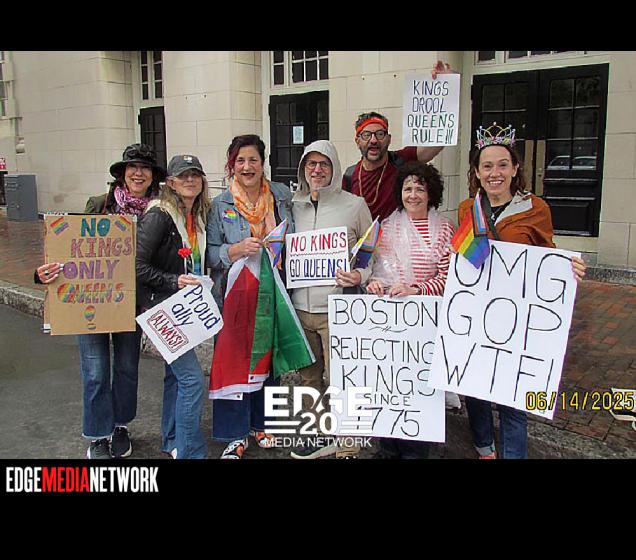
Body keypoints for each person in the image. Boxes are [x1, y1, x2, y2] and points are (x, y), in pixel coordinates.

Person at [459, 123, 587, 459]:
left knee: (512, 397)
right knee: (475, 388)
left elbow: (548, 257)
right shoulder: (466, 209)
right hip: (478, 316)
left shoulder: (535, 208)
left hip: (518, 321)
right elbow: (465, 261)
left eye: (503, 165)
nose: (495, 173)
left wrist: (568, 269)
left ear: (515, 168)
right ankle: (485, 448)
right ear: (477, 171)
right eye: (487, 166)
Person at [35, 143, 165, 459]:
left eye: (145, 168)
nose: (138, 173)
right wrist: (43, 273)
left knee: (127, 368)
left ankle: (120, 426)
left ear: (152, 175)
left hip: (131, 304)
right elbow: (73, 247)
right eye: (133, 167)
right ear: (122, 173)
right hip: (90, 301)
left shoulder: (159, 211)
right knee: (95, 372)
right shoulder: (99, 204)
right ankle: (97, 435)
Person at [206, 134, 295, 459]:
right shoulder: (220, 204)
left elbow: (296, 239)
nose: (247, 166)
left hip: (271, 296)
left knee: (267, 363)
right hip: (234, 299)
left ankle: (263, 423)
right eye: (240, 160)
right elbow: (210, 253)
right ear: (232, 165)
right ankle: (234, 434)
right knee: (233, 364)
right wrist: (235, 249)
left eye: (253, 160)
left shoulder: (282, 196)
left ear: (262, 163)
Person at [366, 161, 456, 459]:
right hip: (391, 324)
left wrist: (417, 290)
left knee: (420, 390)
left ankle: (415, 451)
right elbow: (377, 271)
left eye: (420, 188)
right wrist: (375, 284)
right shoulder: (386, 227)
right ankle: (388, 447)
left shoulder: (445, 229)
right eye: (407, 188)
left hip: (427, 324)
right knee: (390, 385)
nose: (413, 195)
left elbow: (449, 278)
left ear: (431, 194)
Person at [289, 140, 374, 460]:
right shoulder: (293, 205)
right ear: (303, 168)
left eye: (324, 163)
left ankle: (348, 444)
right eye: (311, 164)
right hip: (300, 308)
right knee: (308, 378)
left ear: (335, 167)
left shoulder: (354, 205)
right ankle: (315, 435)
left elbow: (371, 253)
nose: (317, 170)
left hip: (337, 309)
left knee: (342, 378)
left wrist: (360, 275)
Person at [136, 154, 211, 459]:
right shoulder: (159, 215)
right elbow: (136, 266)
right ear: (171, 183)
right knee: (192, 380)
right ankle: (191, 451)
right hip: (161, 309)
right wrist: (173, 280)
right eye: (183, 176)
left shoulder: (196, 216)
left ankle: (172, 441)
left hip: (182, 308)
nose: (190, 180)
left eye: (195, 174)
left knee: (175, 377)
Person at [342, 61, 454, 222]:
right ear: (357, 141)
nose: (373, 140)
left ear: (389, 139)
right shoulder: (349, 175)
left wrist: (448, 86)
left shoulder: (402, 160)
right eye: (366, 135)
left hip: (399, 236)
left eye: (380, 134)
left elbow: (437, 141)